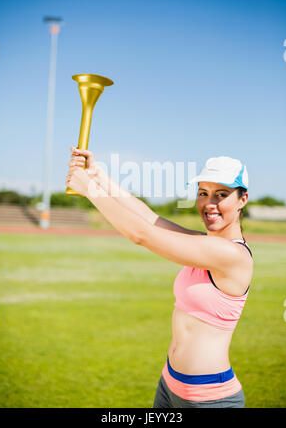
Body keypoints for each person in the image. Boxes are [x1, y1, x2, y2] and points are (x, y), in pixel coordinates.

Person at [66, 151, 253, 408]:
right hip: (169, 385)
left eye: (221, 195)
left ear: (243, 199)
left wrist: (90, 190)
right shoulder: (205, 243)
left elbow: (142, 234)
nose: (209, 203)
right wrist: (99, 177)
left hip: (209, 399)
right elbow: (149, 218)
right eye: (203, 193)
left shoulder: (232, 255)